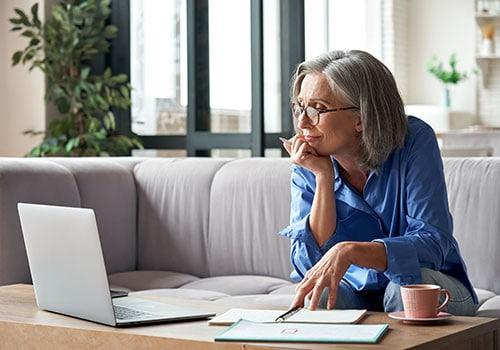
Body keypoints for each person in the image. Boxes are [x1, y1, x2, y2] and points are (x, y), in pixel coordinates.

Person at [278, 50, 478, 316]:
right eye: (300, 107)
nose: (303, 122)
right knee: (319, 294)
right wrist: (323, 178)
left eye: (318, 109)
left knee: (404, 289)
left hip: (431, 284)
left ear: (361, 117)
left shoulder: (414, 140)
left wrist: (351, 251)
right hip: (356, 291)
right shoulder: (310, 160)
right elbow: (309, 266)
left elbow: (433, 244)